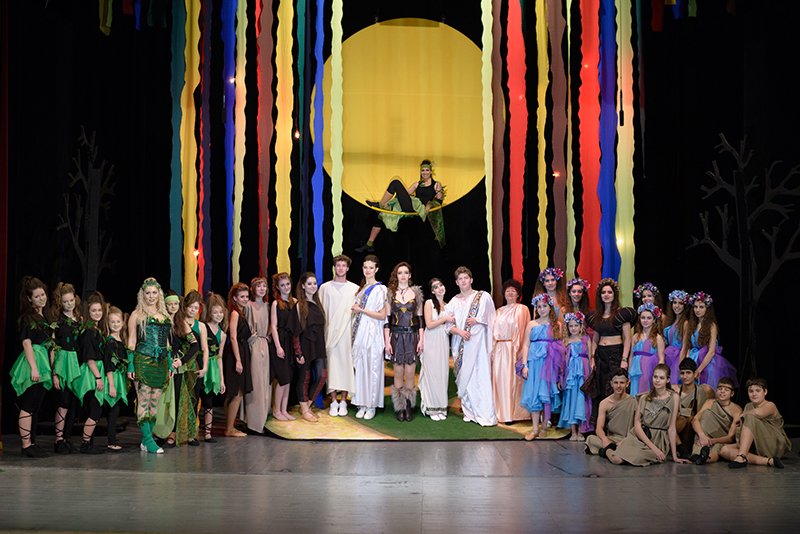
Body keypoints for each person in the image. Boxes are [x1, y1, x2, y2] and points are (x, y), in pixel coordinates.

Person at [605, 364, 690, 466]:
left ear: (668, 380)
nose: (657, 380)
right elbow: (637, 426)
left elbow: (672, 428)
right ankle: (606, 450)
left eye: (661, 378)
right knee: (616, 459)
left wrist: (675, 456)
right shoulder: (644, 398)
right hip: (641, 436)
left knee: (636, 457)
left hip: (658, 440)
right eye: (655, 377)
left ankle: (617, 449)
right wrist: (654, 449)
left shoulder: (674, 398)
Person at [445, 266, 497, 426]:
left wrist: (478, 320)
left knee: (480, 377)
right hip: (461, 345)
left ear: (471, 280)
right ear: (456, 282)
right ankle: (468, 411)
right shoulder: (453, 301)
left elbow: (492, 318)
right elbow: (447, 325)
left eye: (465, 278)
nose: (463, 281)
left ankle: (484, 412)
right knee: (464, 378)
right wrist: (460, 332)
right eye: (460, 279)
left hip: (479, 346)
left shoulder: (482, 297)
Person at [357, 159, 446, 252]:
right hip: (410, 205)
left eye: (427, 170)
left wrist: (429, 204)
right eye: (422, 170)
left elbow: (438, 202)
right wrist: (390, 203)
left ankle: (380, 204)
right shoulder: (417, 184)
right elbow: (403, 195)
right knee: (380, 215)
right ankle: (369, 244)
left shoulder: (436, 185)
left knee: (396, 182)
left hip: (417, 209)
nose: (425, 172)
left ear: (431, 171)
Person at [10, 276, 54, 457]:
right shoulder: (27, 318)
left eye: (43, 294)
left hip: (43, 360)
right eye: (37, 296)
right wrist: (34, 368)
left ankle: (32, 442)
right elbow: (27, 343)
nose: (41, 298)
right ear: (29, 299)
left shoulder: (45, 316)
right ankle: (26, 445)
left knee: (35, 404)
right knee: (28, 404)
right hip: (33, 361)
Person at [127, 277, 171, 454]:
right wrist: (130, 366)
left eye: (154, 293)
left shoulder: (164, 315)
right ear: (142, 295)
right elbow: (131, 340)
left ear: (159, 294)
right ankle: (148, 440)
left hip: (161, 363)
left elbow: (166, 343)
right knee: (144, 400)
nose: (151, 296)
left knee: (154, 403)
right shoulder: (137, 315)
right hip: (143, 361)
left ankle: (147, 440)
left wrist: (170, 364)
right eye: (148, 293)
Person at [586, 278, 635, 422]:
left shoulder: (622, 314)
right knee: (601, 387)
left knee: (615, 387)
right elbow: (595, 339)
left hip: (616, 354)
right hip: (601, 355)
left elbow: (627, 339)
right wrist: (592, 357)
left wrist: (624, 359)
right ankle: (601, 423)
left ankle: (615, 422)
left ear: (614, 295)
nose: (606, 295)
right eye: (603, 292)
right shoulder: (596, 316)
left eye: (609, 292)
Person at [318, 255, 359, 417]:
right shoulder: (325, 288)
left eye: (343, 265)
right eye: (338, 265)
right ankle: (333, 401)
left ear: (348, 268)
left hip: (346, 335)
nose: (341, 268)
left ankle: (343, 402)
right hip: (329, 335)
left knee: (346, 367)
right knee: (332, 368)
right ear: (334, 267)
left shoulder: (355, 288)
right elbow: (321, 312)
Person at [520, 293, 565, 439]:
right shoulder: (532, 324)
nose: (542, 309)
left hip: (549, 364)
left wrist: (559, 368)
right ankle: (535, 429)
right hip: (534, 363)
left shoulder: (557, 325)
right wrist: (525, 365)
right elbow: (526, 345)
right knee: (534, 394)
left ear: (550, 307)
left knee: (546, 394)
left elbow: (560, 346)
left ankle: (545, 425)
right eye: (539, 307)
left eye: (544, 306)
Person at [350, 255, 389, 420]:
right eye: (365, 267)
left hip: (373, 335)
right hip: (360, 334)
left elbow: (382, 315)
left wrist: (361, 310)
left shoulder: (381, 289)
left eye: (371, 268)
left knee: (373, 368)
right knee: (360, 369)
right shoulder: (360, 289)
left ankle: (371, 405)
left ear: (376, 269)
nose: (368, 270)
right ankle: (361, 403)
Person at [721, 377, 791, 469]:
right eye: (751, 391)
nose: (754, 394)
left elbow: (758, 413)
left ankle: (742, 456)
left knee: (750, 416)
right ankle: (768, 461)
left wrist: (741, 415)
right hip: (756, 444)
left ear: (765, 392)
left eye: (758, 391)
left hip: (773, 444)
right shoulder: (748, 406)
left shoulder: (770, 405)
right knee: (724, 450)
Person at [385, 262, 424, 422]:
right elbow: (387, 320)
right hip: (395, 336)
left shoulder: (416, 294)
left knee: (410, 372)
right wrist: (387, 342)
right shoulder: (390, 294)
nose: (403, 275)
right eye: (400, 272)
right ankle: (400, 407)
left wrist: (421, 340)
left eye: (406, 272)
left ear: (409, 275)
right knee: (398, 372)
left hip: (412, 336)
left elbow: (420, 320)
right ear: (396, 275)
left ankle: (408, 405)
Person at [48, 282, 83, 454]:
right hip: (63, 364)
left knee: (74, 403)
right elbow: (53, 348)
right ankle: (59, 439)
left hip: (77, 364)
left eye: (71, 300)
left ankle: (67, 438)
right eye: (65, 301)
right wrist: (54, 372)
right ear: (60, 303)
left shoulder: (80, 320)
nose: (69, 304)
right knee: (63, 402)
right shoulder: (58, 322)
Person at [170, 290, 208, 446]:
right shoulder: (178, 322)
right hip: (180, 365)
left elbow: (204, 348)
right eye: (190, 307)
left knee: (193, 399)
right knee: (177, 399)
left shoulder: (201, 326)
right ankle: (174, 433)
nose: (193, 310)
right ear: (184, 307)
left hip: (195, 366)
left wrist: (205, 368)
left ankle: (191, 434)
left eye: (196, 307)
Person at [288, 273, 327, 423]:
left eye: (314, 283)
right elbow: (295, 331)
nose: (313, 286)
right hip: (305, 345)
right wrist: (298, 353)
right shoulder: (299, 306)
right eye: (309, 283)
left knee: (322, 376)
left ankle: (306, 405)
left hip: (319, 345)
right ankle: (305, 410)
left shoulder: (318, 303)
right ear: (303, 286)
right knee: (304, 378)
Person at [491, 279, 531, 424]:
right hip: (499, 349)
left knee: (512, 381)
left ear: (518, 294)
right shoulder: (498, 311)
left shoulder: (522, 309)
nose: (510, 293)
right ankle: (501, 413)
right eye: (508, 290)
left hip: (513, 349)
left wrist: (520, 352)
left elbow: (524, 330)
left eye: (513, 291)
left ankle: (512, 414)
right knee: (499, 381)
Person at [73, 291, 109, 454]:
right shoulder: (88, 332)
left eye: (99, 310)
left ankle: (88, 442)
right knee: (95, 410)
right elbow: (89, 359)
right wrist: (98, 377)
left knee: (95, 409)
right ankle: (85, 443)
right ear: (88, 312)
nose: (97, 313)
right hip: (90, 374)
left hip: (96, 371)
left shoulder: (96, 329)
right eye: (94, 310)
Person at [679, 291, 737, 389]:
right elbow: (685, 347)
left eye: (701, 307)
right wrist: (682, 366)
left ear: (707, 309)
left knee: (706, 387)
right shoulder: (690, 324)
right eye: (695, 307)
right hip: (693, 358)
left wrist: (698, 370)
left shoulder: (711, 326)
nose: (697, 310)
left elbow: (711, 351)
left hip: (707, 362)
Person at [418, 277, 454, 421]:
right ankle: (431, 407)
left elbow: (450, 326)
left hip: (443, 340)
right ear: (432, 291)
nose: (440, 288)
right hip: (431, 339)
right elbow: (429, 324)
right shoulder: (429, 303)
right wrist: (445, 319)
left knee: (442, 373)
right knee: (431, 373)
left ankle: (441, 407)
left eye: (441, 285)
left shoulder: (448, 305)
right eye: (436, 287)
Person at [558, 311, 594, 440]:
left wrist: (590, 373)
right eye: (571, 326)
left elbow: (590, 357)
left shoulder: (586, 339)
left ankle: (581, 431)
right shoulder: (566, 341)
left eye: (576, 325)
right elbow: (562, 361)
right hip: (570, 375)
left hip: (583, 373)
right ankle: (573, 431)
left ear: (581, 326)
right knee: (571, 400)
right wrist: (560, 377)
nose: (573, 328)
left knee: (581, 400)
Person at [689, 377, 742, 465]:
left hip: (721, 439)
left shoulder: (736, 410)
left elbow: (730, 437)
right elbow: (695, 420)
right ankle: (697, 456)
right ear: (716, 391)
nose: (722, 391)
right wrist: (702, 436)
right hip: (705, 437)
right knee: (705, 415)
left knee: (717, 448)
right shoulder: (710, 402)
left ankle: (705, 458)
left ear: (732, 393)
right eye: (720, 389)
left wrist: (712, 441)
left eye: (726, 390)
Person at [585, 369, 636, 456]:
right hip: (612, 439)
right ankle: (613, 449)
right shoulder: (604, 403)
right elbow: (599, 428)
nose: (618, 386)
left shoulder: (634, 402)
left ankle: (607, 451)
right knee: (590, 439)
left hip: (628, 439)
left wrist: (628, 441)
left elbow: (637, 427)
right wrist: (605, 440)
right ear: (611, 384)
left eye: (622, 383)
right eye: (616, 383)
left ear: (627, 384)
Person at [223, 282, 251, 437]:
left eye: (246, 296)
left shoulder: (241, 312)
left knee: (234, 392)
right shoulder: (234, 313)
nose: (245, 299)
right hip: (236, 354)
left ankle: (230, 426)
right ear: (234, 298)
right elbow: (233, 337)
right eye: (242, 296)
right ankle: (230, 429)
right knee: (236, 393)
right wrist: (238, 360)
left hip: (241, 352)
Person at [670, 357, 714, 458]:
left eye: (688, 373)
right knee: (682, 418)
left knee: (690, 418)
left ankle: (689, 450)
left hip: (693, 431)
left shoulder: (705, 391)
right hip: (676, 430)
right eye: (682, 373)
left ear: (695, 374)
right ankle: (679, 447)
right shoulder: (674, 390)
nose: (685, 376)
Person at [197, 292, 227, 441]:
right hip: (201, 365)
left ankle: (208, 433)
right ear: (209, 313)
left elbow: (220, 357)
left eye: (221, 312)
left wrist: (221, 379)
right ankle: (191, 431)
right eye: (215, 312)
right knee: (195, 399)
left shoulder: (222, 335)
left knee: (209, 401)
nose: (218, 315)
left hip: (213, 369)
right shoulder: (202, 327)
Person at [102, 306, 130, 451]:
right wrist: (112, 385)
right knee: (113, 410)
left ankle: (112, 438)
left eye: (118, 321)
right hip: (113, 378)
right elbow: (109, 365)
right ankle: (111, 441)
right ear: (108, 323)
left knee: (115, 410)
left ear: (122, 323)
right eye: (112, 322)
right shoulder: (110, 342)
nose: (115, 324)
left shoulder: (121, 340)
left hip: (119, 377)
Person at [245, 277, 271, 432]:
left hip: (265, 344)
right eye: (259, 286)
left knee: (265, 381)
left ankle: (263, 419)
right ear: (253, 289)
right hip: (253, 344)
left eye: (264, 286)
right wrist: (251, 341)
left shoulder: (268, 306)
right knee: (255, 382)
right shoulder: (248, 305)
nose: (262, 289)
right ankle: (253, 422)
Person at [269, 273, 295, 421]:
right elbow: (273, 326)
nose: (286, 287)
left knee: (289, 378)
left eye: (288, 284)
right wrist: (278, 346)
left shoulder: (294, 302)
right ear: (278, 287)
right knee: (282, 378)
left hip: (291, 342)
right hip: (280, 341)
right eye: (283, 285)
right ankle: (276, 410)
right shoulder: (276, 304)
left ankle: (284, 410)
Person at [628, 303, 665, 396]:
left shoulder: (657, 338)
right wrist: (629, 371)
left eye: (649, 318)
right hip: (636, 370)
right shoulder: (635, 336)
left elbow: (661, 358)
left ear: (654, 320)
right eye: (643, 318)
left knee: (647, 391)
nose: (645, 320)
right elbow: (631, 356)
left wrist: (658, 374)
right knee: (635, 392)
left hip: (650, 369)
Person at [662, 290, 689, 382]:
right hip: (668, 356)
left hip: (678, 357)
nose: (677, 306)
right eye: (674, 302)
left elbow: (685, 347)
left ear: (685, 306)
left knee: (675, 383)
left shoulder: (685, 323)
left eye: (680, 303)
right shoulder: (671, 321)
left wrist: (679, 366)